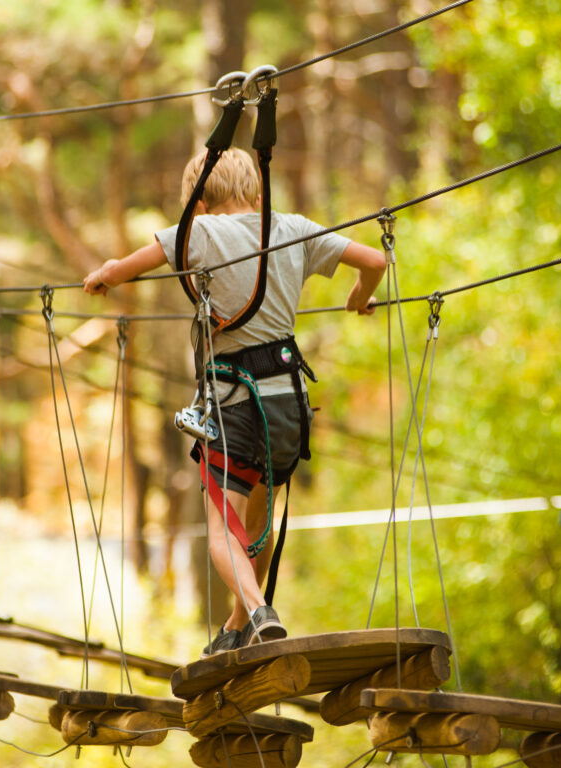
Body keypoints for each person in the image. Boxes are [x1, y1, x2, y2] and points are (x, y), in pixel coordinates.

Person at [84, 148, 386, 654]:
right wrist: (359, 295)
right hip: (289, 405)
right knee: (259, 518)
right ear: (258, 193)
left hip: (235, 405)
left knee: (225, 525)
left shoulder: (199, 232)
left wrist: (103, 277)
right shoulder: (292, 227)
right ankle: (236, 625)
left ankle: (258, 608)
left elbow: (125, 268)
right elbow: (375, 261)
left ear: (197, 203)